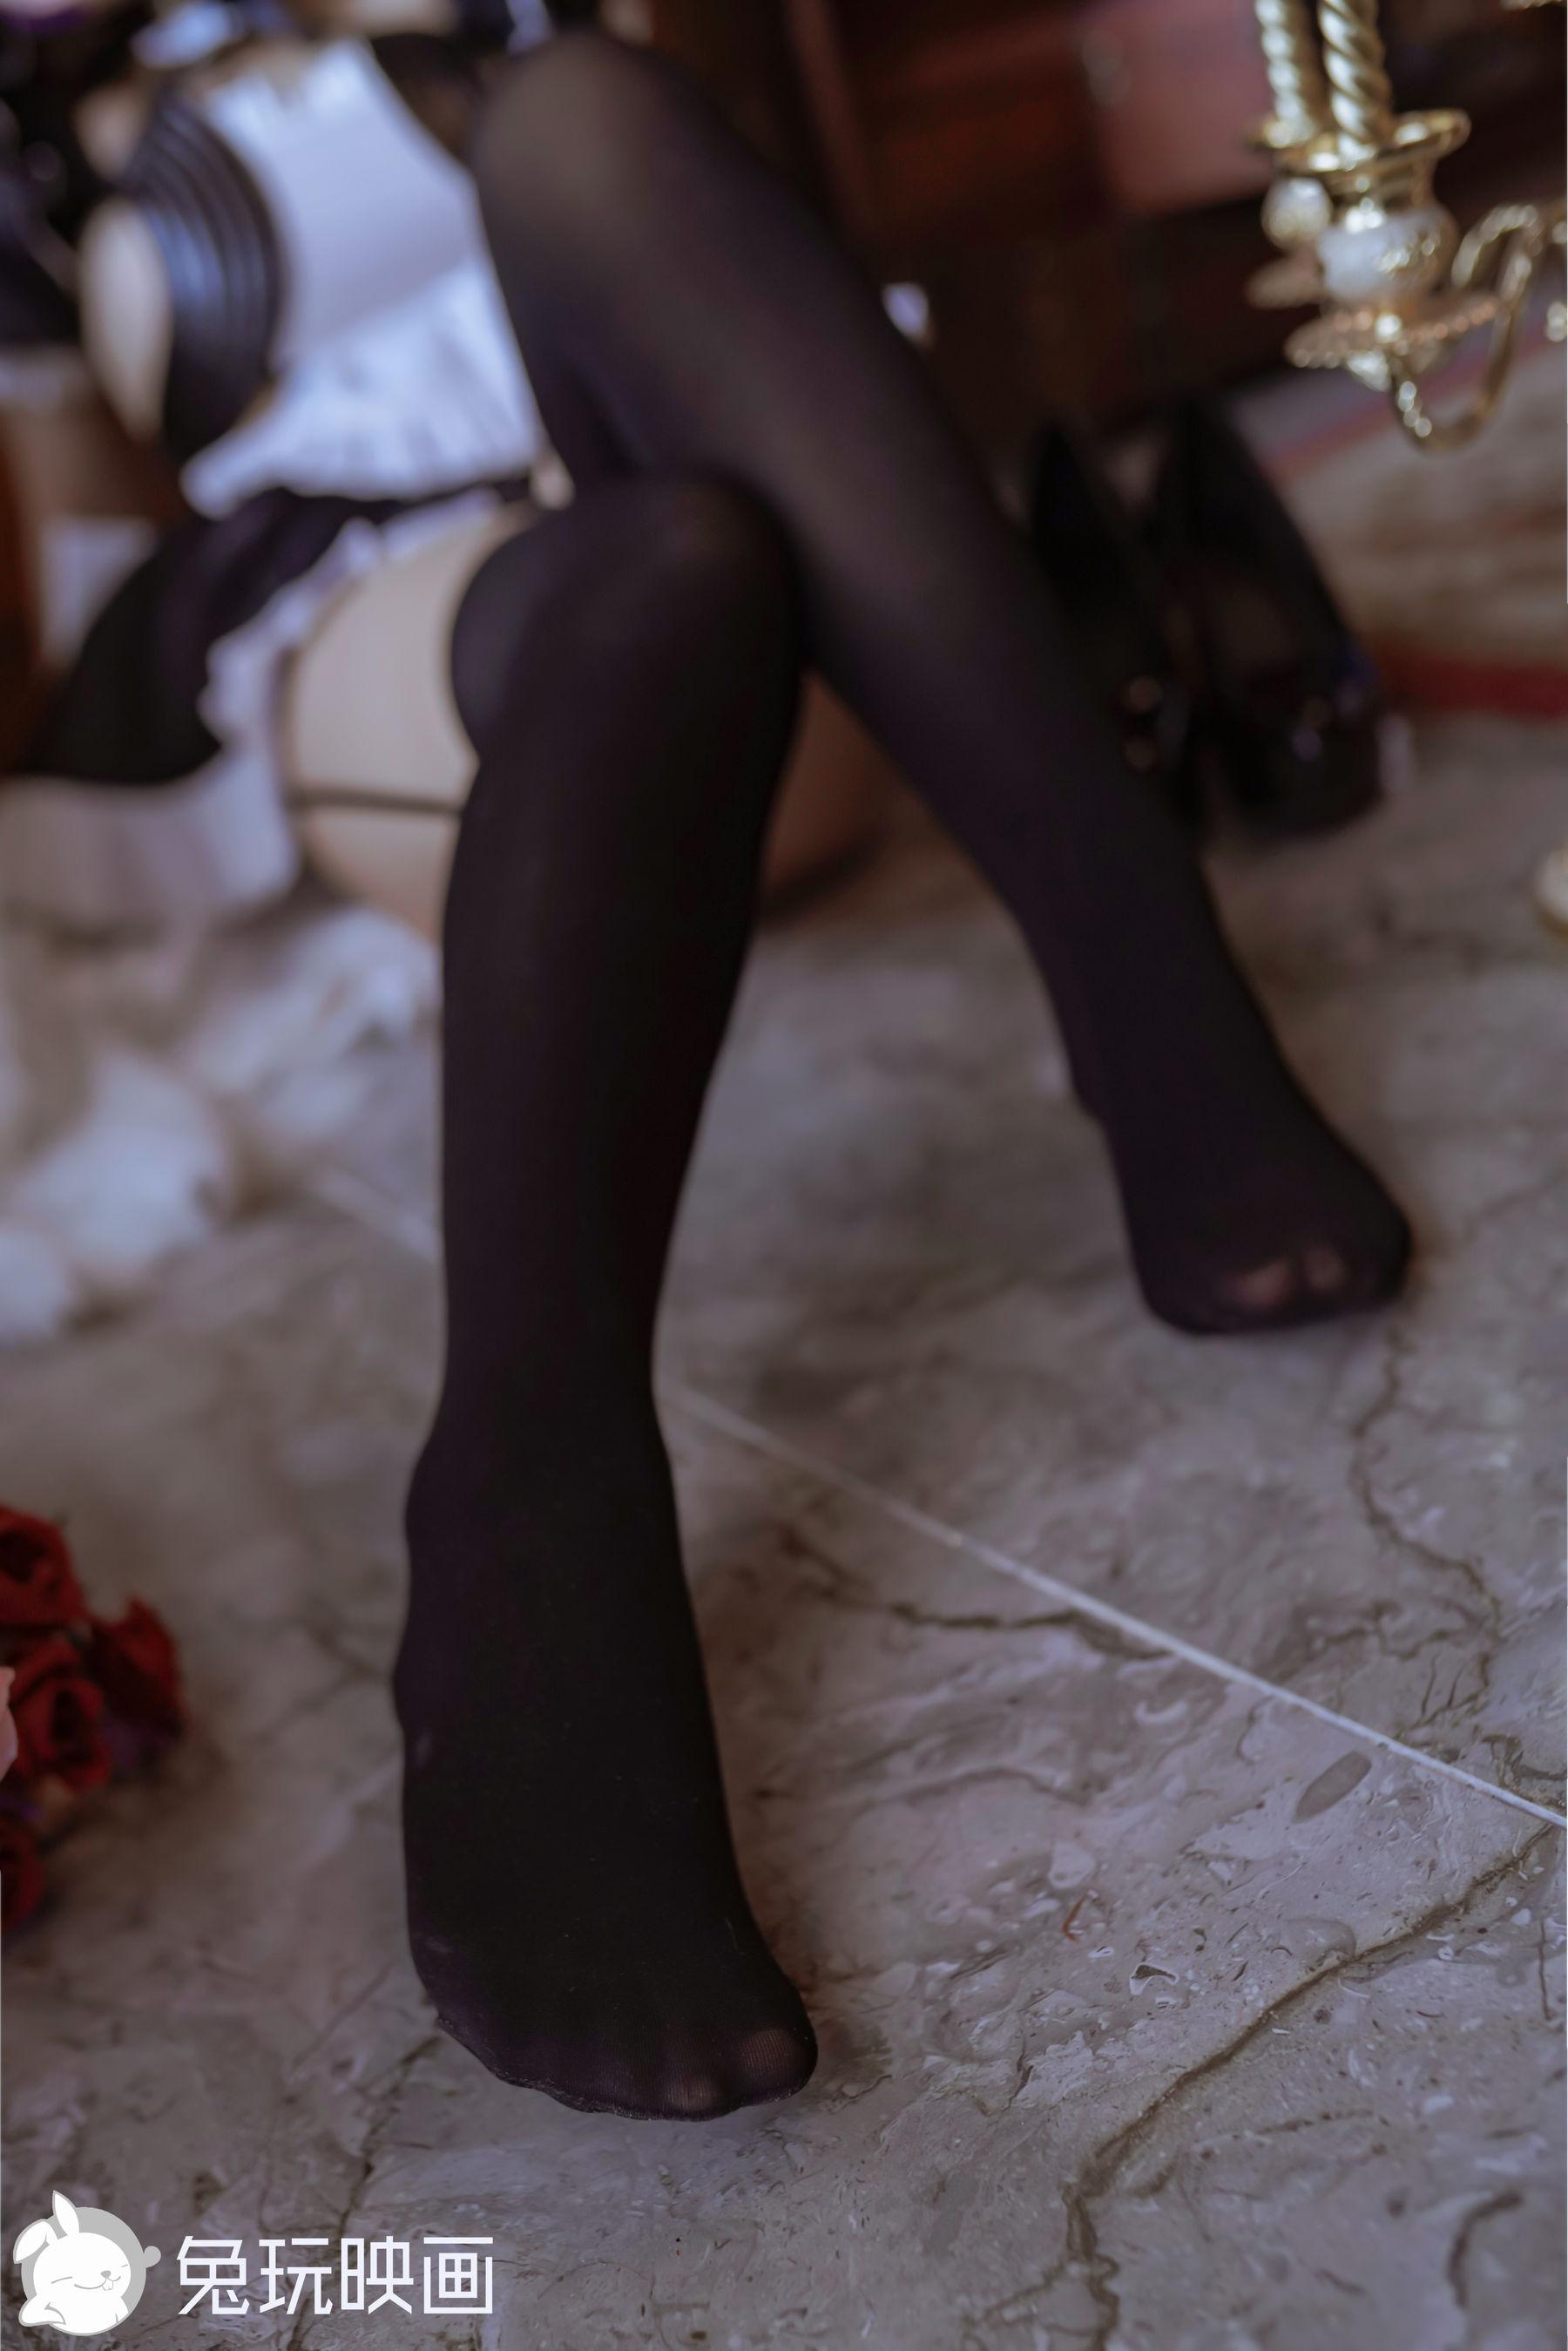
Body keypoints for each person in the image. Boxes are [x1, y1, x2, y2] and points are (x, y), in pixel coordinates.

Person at [391, 28, 1413, 2122]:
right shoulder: (125, 150)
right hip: (458, 618)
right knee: (672, 554)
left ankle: (1135, 953)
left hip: (807, 526)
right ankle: (524, 1493)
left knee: (577, 115)